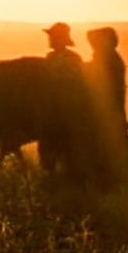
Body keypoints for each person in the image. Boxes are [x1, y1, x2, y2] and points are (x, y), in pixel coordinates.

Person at [85, 26, 128, 189]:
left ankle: (114, 180)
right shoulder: (111, 58)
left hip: (108, 109)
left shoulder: (107, 59)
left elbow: (95, 76)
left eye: (95, 43)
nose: (92, 46)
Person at [38, 22, 84, 173]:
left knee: (63, 151)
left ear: (58, 39)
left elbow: (74, 83)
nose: (49, 40)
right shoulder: (55, 57)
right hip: (54, 111)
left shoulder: (71, 59)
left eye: (52, 37)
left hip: (65, 112)